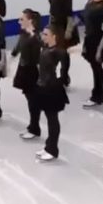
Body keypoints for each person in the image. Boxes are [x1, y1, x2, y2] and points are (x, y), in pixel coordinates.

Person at [34, 24, 70, 161]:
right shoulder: (45, 49)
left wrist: (54, 85)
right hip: (43, 87)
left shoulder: (60, 52)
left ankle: (53, 149)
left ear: (54, 36)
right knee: (49, 119)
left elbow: (64, 74)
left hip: (52, 90)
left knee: (52, 119)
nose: (43, 37)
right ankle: (49, 145)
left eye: (46, 34)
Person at [80, 0, 103, 107]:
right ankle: (97, 94)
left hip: (98, 41)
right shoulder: (89, 2)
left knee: (97, 68)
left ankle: (98, 95)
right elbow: (84, 18)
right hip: (89, 39)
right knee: (94, 67)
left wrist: (100, 48)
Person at [13, 9, 43, 140]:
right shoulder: (24, 33)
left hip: (31, 71)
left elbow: (37, 59)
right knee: (29, 98)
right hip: (23, 68)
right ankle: (33, 126)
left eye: (22, 19)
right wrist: (10, 58)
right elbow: (18, 47)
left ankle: (34, 128)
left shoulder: (35, 37)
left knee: (33, 100)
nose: (19, 21)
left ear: (30, 21)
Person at [48, 0, 78, 86]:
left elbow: (69, 15)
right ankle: (53, 74)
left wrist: (68, 31)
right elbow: (51, 9)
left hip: (62, 26)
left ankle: (64, 75)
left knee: (62, 52)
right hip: (54, 24)